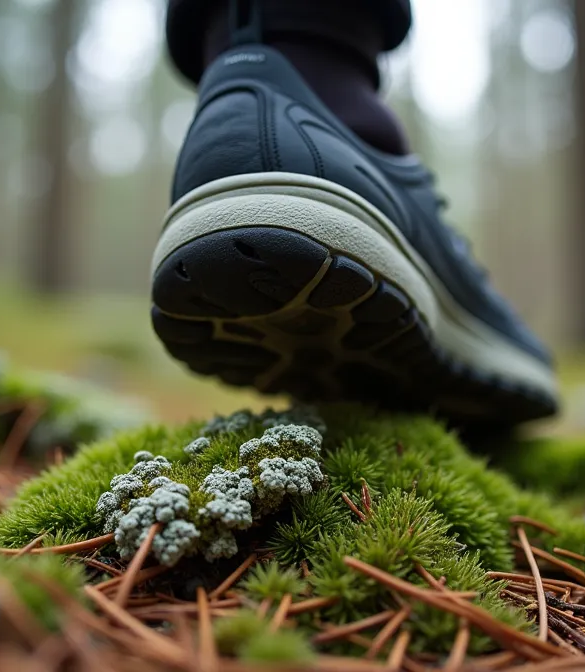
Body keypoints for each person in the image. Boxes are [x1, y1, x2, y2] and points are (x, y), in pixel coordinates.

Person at [152, 0, 558, 427]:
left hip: (218, 95)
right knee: (320, 68)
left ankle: (267, 111)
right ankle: (354, 130)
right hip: (326, 99)